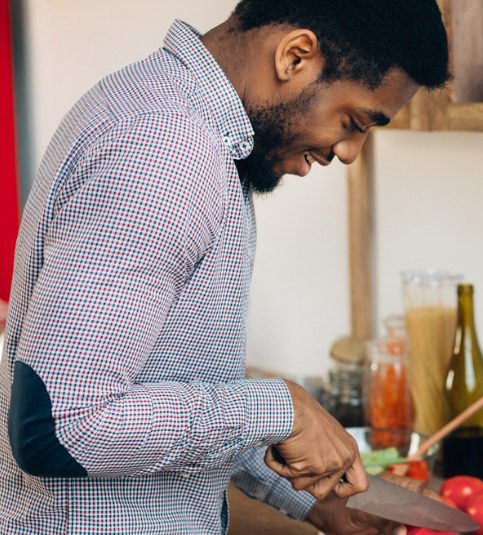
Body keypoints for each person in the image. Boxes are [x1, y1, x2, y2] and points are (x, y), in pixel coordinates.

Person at [0, 1, 450, 533]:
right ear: (295, 55)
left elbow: (170, 387)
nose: (349, 153)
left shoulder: (173, 114)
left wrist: (310, 498)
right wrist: (281, 408)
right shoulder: (166, 148)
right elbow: (61, 426)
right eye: (352, 122)